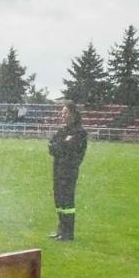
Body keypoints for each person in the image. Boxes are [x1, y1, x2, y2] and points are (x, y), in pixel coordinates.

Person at [47, 102, 88, 241]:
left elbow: (70, 150)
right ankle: (61, 230)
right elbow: (52, 148)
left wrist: (60, 146)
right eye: (62, 113)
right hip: (57, 169)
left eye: (65, 113)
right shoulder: (62, 131)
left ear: (73, 114)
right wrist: (61, 145)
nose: (62, 115)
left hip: (69, 171)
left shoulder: (80, 132)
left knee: (67, 202)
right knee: (58, 199)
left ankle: (68, 233)